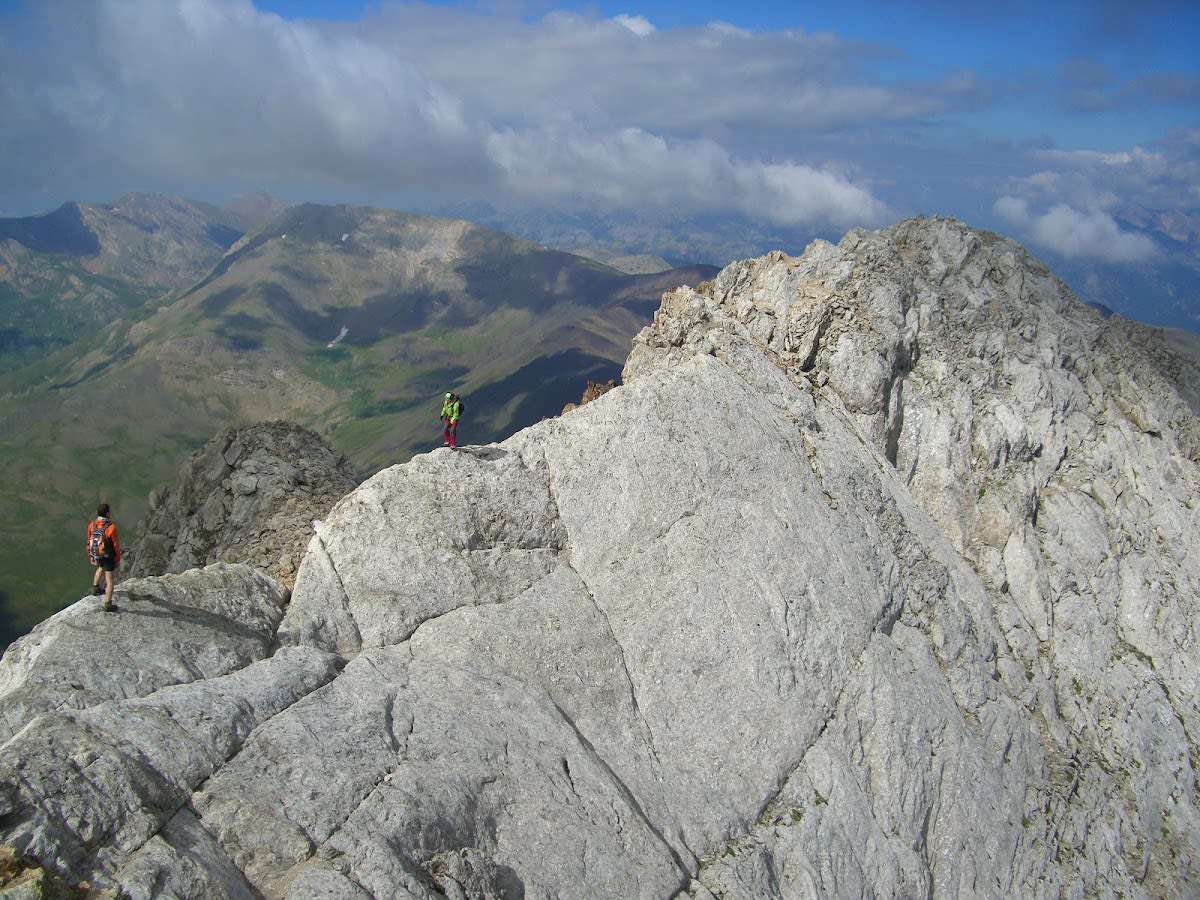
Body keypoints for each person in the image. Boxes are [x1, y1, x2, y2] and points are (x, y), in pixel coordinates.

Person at [87, 503, 121, 612]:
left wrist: (91, 554)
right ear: (107, 513)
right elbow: (115, 545)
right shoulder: (111, 528)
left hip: (97, 554)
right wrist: (117, 558)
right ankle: (108, 604)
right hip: (108, 556)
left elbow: (89, 540)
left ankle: (95, 588)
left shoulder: (92, 525)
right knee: (109, 580)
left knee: (100, 567)